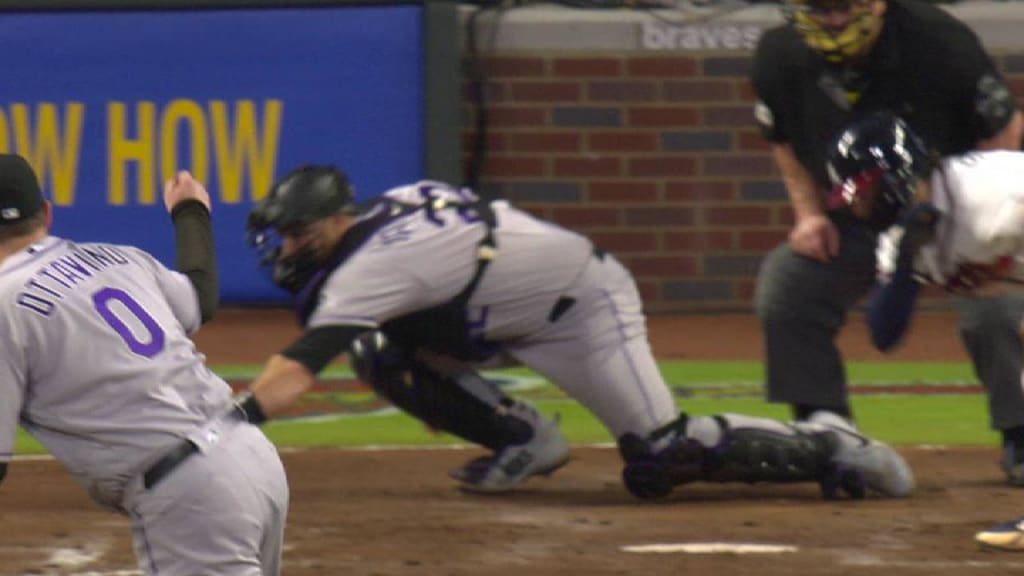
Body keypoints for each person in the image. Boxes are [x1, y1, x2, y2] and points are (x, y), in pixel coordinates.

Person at [235, 164, 914, 500]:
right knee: (378, 347)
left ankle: (832, 446)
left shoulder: (372, 266)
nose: (289, 247)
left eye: (299, 233)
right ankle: (525, 437)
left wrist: (226, 425)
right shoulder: (391, 212)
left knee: (659, 460)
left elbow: (296, 372)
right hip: (498, 309)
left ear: (338, 221)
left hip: (579, 307)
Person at [751, 0, 1024, 485]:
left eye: (843, 7)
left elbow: (1003, 130)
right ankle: (826, 433)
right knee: (789, 284)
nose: (832, 19)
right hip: (912, 213)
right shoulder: (778, 56)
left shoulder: (1001, 187)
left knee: (998, 310)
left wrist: (990, 252)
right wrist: (816, 217)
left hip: (979, 211)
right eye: (819, 8)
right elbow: (885, 333)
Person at [0, 158, 289, 575]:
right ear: (46, 212)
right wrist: (191, 211)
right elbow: (200, 299)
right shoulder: (117, 257)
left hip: (189, 494)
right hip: (253, 455)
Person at [824, 112, 1024, 552]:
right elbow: (884, 333)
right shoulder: (904, 235)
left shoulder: (995, 191)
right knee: (1002, 336)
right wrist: (905, 263)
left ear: (891, 177)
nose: (858, 206)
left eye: (863, 190)